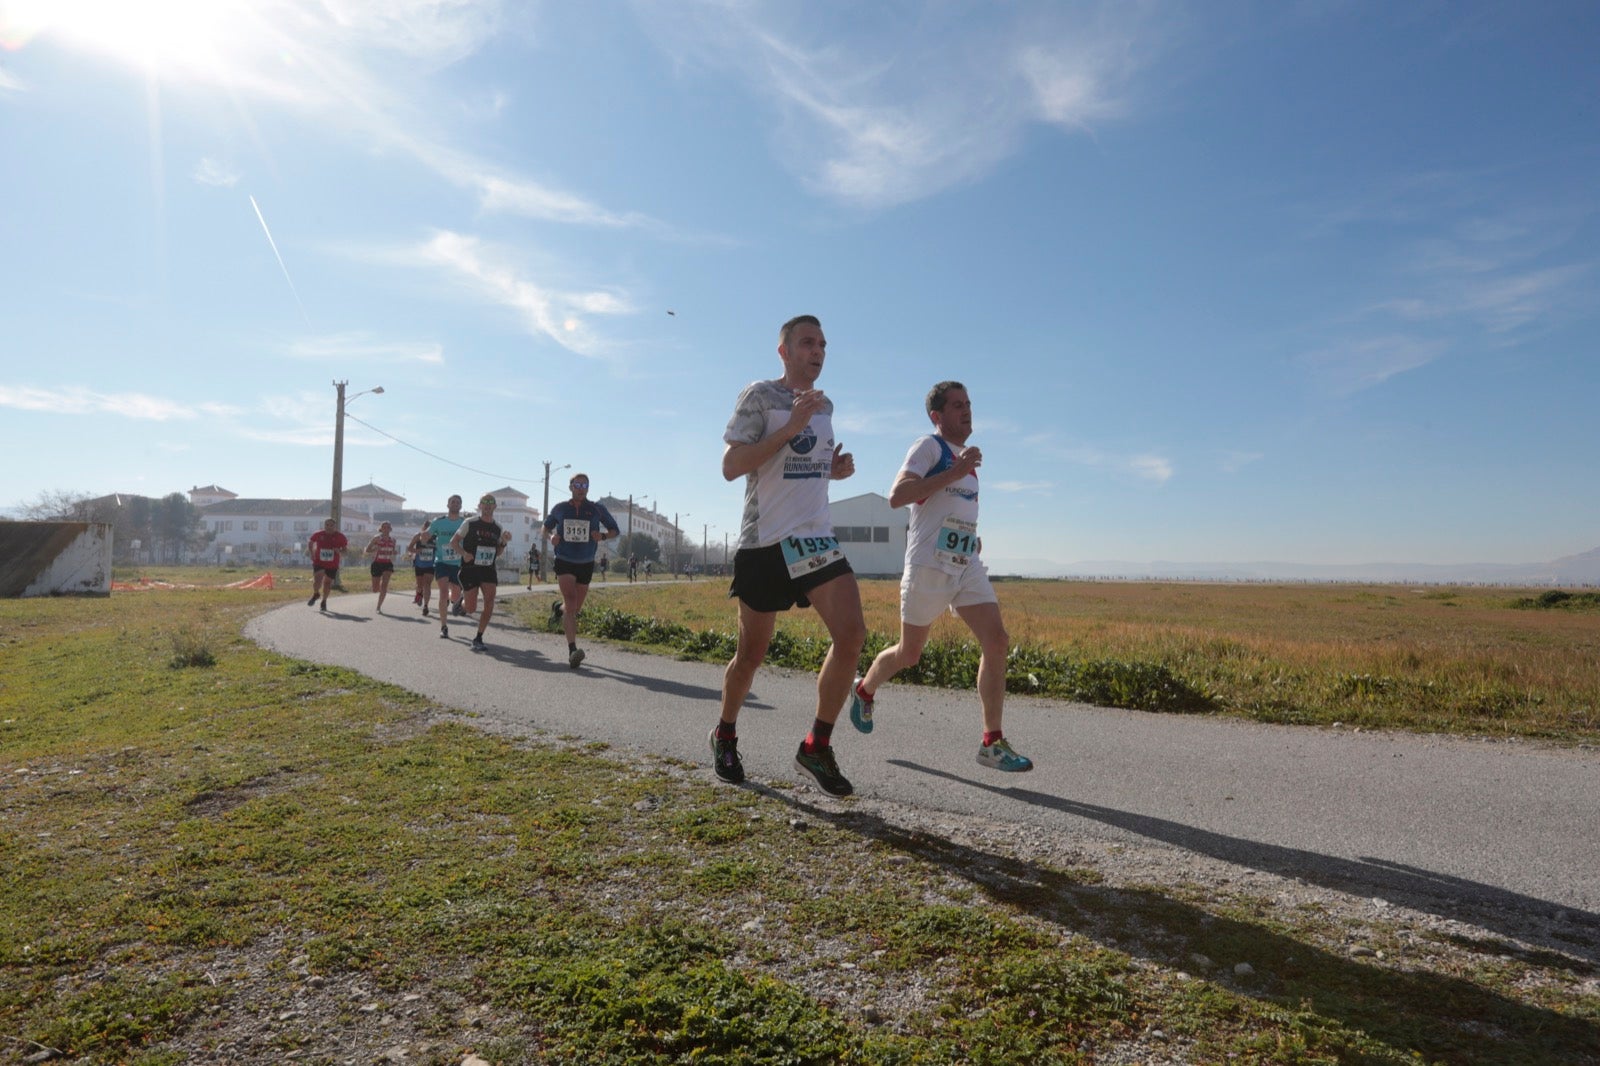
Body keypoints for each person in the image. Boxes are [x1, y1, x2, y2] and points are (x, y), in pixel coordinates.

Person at [711, 314, 864, 798]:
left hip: (814, 538)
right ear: (784, 351)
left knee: (852, 634)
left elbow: (800, 467)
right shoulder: (761, 396)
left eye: (822, 344)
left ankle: (815, 745)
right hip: (765, 542)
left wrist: (831, 472)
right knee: (750, 656)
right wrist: (791, 425)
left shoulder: (826, 405)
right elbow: (732, 466)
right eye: (806, 343)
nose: (817, 351)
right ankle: (726, 732)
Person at [847, 382, 1033, 772]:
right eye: (956, 406)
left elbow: (948, 509)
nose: (967, 411)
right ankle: (864, 689)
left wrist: (969, 537)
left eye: (969, 404)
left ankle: (991, 742)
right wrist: (955, 471)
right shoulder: (929, 448)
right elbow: (899, 495)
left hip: (965, 566)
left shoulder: (964, 460)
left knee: (997, 640)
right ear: (937, 416)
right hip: (928, 567)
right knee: (909, 653)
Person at [543, 473, 620, 667]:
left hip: (586, 562)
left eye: (585, 485)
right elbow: (545, 528)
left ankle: (557, 609)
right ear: (571, 487)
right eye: (577, 484)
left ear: (588, 488)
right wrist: (551, 537)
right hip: (564, 559)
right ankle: (572, 650)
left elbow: (615, 530)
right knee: (570, 600)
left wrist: (602, 536)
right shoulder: (560, 508)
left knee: (574, 608)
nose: (581, 488)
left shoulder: (597, 509)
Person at [451, 494, 510, 651]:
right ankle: (462, 605)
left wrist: (503, 543)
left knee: (490, 601)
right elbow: (454, 542)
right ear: (480, 505)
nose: (488, 505)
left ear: (495, 507)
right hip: (470, 569)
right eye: (485, 502)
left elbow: (498, 552)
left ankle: (478, 637)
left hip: (488, 570)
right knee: (471, 608)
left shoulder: (498, 528)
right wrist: (464, 554)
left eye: (491, 503)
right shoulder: (470, 523)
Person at [428, 495, 469, 639]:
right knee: (443, 593)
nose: (455, 504)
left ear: (461, 506)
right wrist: (422, 537)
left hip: (458, 564)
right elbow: (427, 534)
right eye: (453, 502)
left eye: (458, 502)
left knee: (456, 594)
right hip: (442, 562)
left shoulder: (465, 523)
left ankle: (456, 602)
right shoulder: (438, 522)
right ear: (448, 505)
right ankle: (444, 627)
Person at [305, 517, 348, 613]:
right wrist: (312, 553)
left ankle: (324, 601)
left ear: (335, 527)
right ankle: (316, 594)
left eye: (331, 525)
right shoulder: (318, 534)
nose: (329, 527)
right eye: (327, 525)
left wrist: (339, 551)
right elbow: (311, 542)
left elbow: (345, 551)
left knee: (327, 583)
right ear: (324, 526)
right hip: (319, 561)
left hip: (332, 563)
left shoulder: (341, 537)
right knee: (317, 581)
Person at [365, 521, 398, 613]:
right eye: (384, 527)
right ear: (381, 529)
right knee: (375, 589)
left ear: (390, 529)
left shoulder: (393, 540)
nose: (386, 529)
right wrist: (375, 549)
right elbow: (367, 550)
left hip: (388, 564)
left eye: (388, 527)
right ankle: (378, 588)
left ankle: (378, 607)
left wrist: (394, 552)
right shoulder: (376, 538)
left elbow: (393, 551)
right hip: (377, 563)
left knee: (384, 586)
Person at [407, 519, 436, 616]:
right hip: (419, 564)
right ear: (423, 527)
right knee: (420, 585)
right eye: (426, 526)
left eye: (430, 527)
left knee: (427, 584)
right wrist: (416, 551)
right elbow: (409, 548)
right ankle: (419, 593)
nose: (427, 528)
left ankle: (426, 606)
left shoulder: (436, 537)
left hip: (430, 565)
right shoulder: (418, 536)